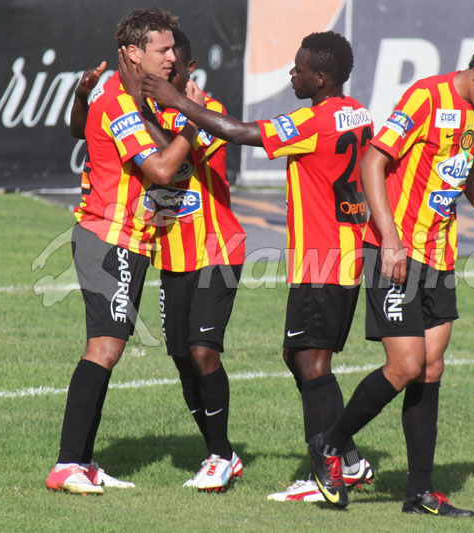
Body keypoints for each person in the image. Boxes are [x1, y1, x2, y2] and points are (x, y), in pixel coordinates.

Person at [140, 31, 376, 502]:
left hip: (323, 256)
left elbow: (240, 132)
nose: (293, 73)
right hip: (346, 251)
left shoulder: (315, 121)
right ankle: (349, 459)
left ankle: (324, 476)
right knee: (301, 358)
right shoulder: (359, 113)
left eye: (300, 67)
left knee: (310, 362)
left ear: (321, 77)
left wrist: (173, 101)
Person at [307, 34, 474, 516]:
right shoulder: (426, 97)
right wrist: (389, 238)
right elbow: (373, 160)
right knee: (406, 365)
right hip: (396, 254)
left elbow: (466, 173)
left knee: (431, 367)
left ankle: (419, 494)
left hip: (440, 255)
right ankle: (330, 444)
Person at [69, 28, 247, 492]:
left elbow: (176, 167)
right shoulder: (134, 104)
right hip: (169, 253)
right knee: (183, 357)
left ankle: (219, 455)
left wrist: (183, 111)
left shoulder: (210, 112)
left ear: (189, 69)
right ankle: (220, 455)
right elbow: (108, 136)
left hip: (214, 249)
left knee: (205, 351)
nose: (169, 65)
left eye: (176, 60)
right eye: (164, 55)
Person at [45, 8, 198, 495]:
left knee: (109, 349)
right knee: (104, 349)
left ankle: (84, 464)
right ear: (133, 53)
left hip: (128, 240)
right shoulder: (119, 102)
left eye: (172, 49)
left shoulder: (133, 96)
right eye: (163, 49)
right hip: (108, 240)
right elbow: (159, 170)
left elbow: (85, 133)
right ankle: (67, 464)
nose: (173, 58)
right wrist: (191, 121)